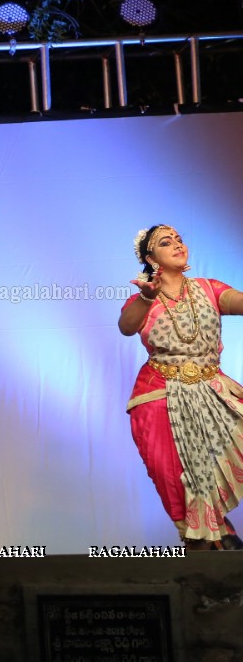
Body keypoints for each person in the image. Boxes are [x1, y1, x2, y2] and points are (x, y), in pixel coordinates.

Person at [119, 225, 243, 550]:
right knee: (174, 476)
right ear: (150, 257)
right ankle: (206, 543)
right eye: (165, 242)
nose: (176, 244)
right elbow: (126, 327)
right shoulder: (142, 299)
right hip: (159, 396)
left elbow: (238, 301)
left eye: (179, 239)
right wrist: (147, 296)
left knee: (216, 468)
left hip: (212, 393)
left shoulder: (209, 288)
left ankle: (217, 540)